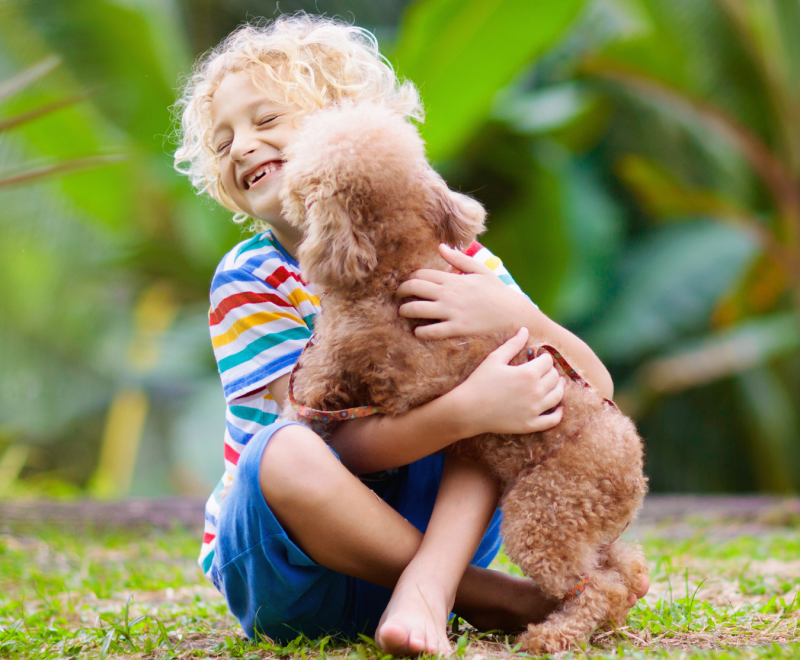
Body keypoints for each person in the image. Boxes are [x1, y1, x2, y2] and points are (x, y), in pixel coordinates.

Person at [173, 14, 647, 656]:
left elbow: (594, 388)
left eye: (265, 120)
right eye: (223, 141)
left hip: (440, 543)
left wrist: (516, 316)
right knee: (283, 449)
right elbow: (325, 447)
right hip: (293, 565)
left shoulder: (453, 254)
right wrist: (464, 411)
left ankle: (429, 585)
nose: (242, 147)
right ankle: (492, 598)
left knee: (512, 388)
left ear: (343, 122)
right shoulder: (251, 279)